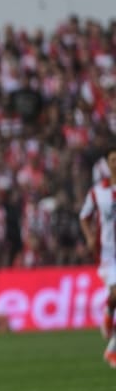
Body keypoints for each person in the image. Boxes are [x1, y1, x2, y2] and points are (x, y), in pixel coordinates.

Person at [79, 146, 116, 368]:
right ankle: (109, 310)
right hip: (107, 253)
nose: (115, 163)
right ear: (107, 164)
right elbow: (84, 217)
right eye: (112, 159)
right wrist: (90, 236)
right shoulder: (97, 192)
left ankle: (112, 348)